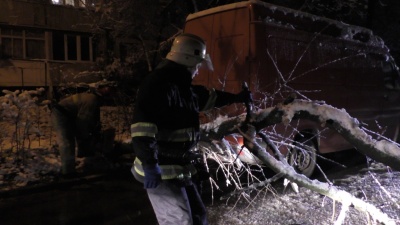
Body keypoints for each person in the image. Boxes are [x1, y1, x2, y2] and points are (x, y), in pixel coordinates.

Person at [130, 33, 252, 225]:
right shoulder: (158, 85)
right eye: (197, 65)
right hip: (160, 169)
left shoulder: (181, 86)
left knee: (197, 216)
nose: (197, 71)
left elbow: (206, 98)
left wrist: (237, 97)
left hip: (178, 167)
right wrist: (149, 163)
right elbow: (142, 129)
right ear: (188, 61)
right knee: (179, 221)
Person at [51, 81, 116, 176]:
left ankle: (82, 158)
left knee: (76, 138)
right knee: (67, 141)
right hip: (61, 114)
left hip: (69, 113)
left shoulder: (92, 98)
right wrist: (86, 138)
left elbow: (90, 120)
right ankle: (68, 172)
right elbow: (83, 121)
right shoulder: (92, 100)